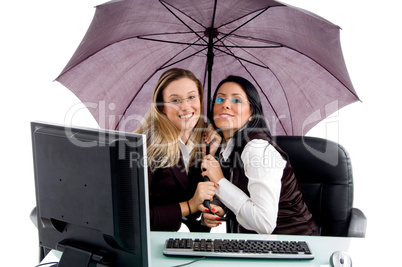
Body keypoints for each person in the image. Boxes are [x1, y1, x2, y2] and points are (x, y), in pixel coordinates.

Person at [201, 75, 318, 235]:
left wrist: (220, 181)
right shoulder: (229, 146)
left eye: (236, 100)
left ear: (252, 114)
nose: (226, 105)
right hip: (254, 247)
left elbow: (264, 223)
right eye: (220, 100)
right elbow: (241, 195)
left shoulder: (257, 149)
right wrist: (220, 209)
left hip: (294, 247)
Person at [135, 68, 218, 232]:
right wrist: (190, 205)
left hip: (184, 246)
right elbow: (134, 218)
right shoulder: (146, 148)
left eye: (191, 97)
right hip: (151, 246)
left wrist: (209, 155)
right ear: (161, 107)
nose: (186, 106)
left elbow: (194, 215)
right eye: (175, 100)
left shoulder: (200, 143)